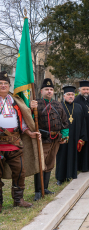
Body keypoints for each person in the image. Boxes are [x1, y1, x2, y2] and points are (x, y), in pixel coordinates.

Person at [0, 71, 41, 210]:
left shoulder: (15, 101)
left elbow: (23, 120)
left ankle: (18, 200)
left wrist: (29, 132)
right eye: (0, 83)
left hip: (15, 144)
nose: (3, 85)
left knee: (20, 172)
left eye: (6, 83)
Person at [30, 78, 69, 201]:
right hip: (43, 139)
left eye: (51, 89)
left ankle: (45, 188)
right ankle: (38, 190)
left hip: (56, 139)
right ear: (41, 91)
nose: (49, 91)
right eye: (47, 89)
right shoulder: (36, 103)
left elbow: (65, 122)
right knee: (41, 163)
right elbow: (29, 120)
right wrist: (31, 108)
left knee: (50, 163)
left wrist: (65, 136)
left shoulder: (58, 104)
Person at [55, 86, 87, 185]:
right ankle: (60, 178)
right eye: (68, 94)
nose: (70, 96)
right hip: (63, 137)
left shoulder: (78, 107)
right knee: (62, 156)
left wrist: (82, 137)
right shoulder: (59, 106)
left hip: (75, 136)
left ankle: (71, 174)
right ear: (64, 96)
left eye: (72, 95)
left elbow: (83, 122)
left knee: (73, 155)